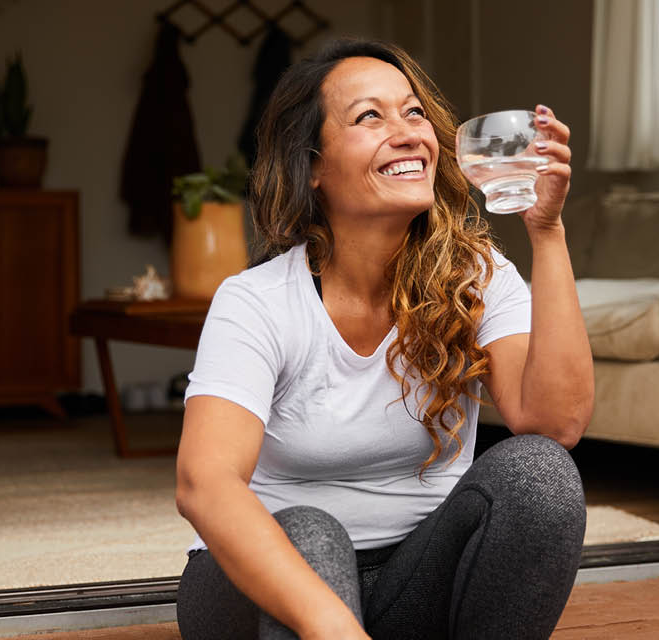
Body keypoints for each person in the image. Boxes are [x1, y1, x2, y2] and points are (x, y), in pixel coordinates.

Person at [174, 37, 594, 640]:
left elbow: (554, 424)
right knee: (312, 533)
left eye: (414, 112)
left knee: (541, 473)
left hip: (410, 581)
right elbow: (203, 484)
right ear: (312, 165)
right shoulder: (257, 302)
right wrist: (333, 626)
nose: (407, 133)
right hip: (264, 591)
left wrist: (546, 232)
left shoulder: (476, 276)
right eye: (370, 116)